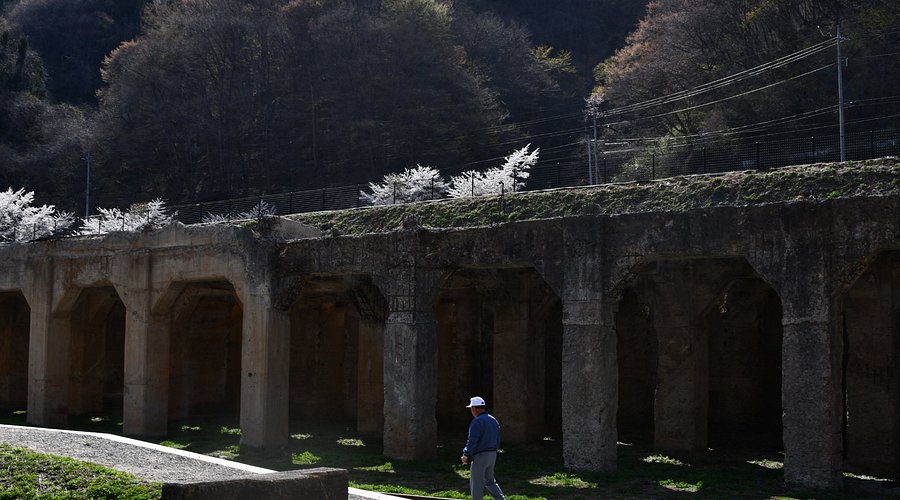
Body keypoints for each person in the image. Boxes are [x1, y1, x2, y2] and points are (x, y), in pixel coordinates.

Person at [460, 396, 506, 500]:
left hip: (481, 456)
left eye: (471, 409)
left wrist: (466, 454)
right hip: (492, 455)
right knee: (490, 481)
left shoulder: (477, 422)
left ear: (475, 408)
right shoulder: (493, 420)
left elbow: (472, 440)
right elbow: (498, 438)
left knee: (477, 483)